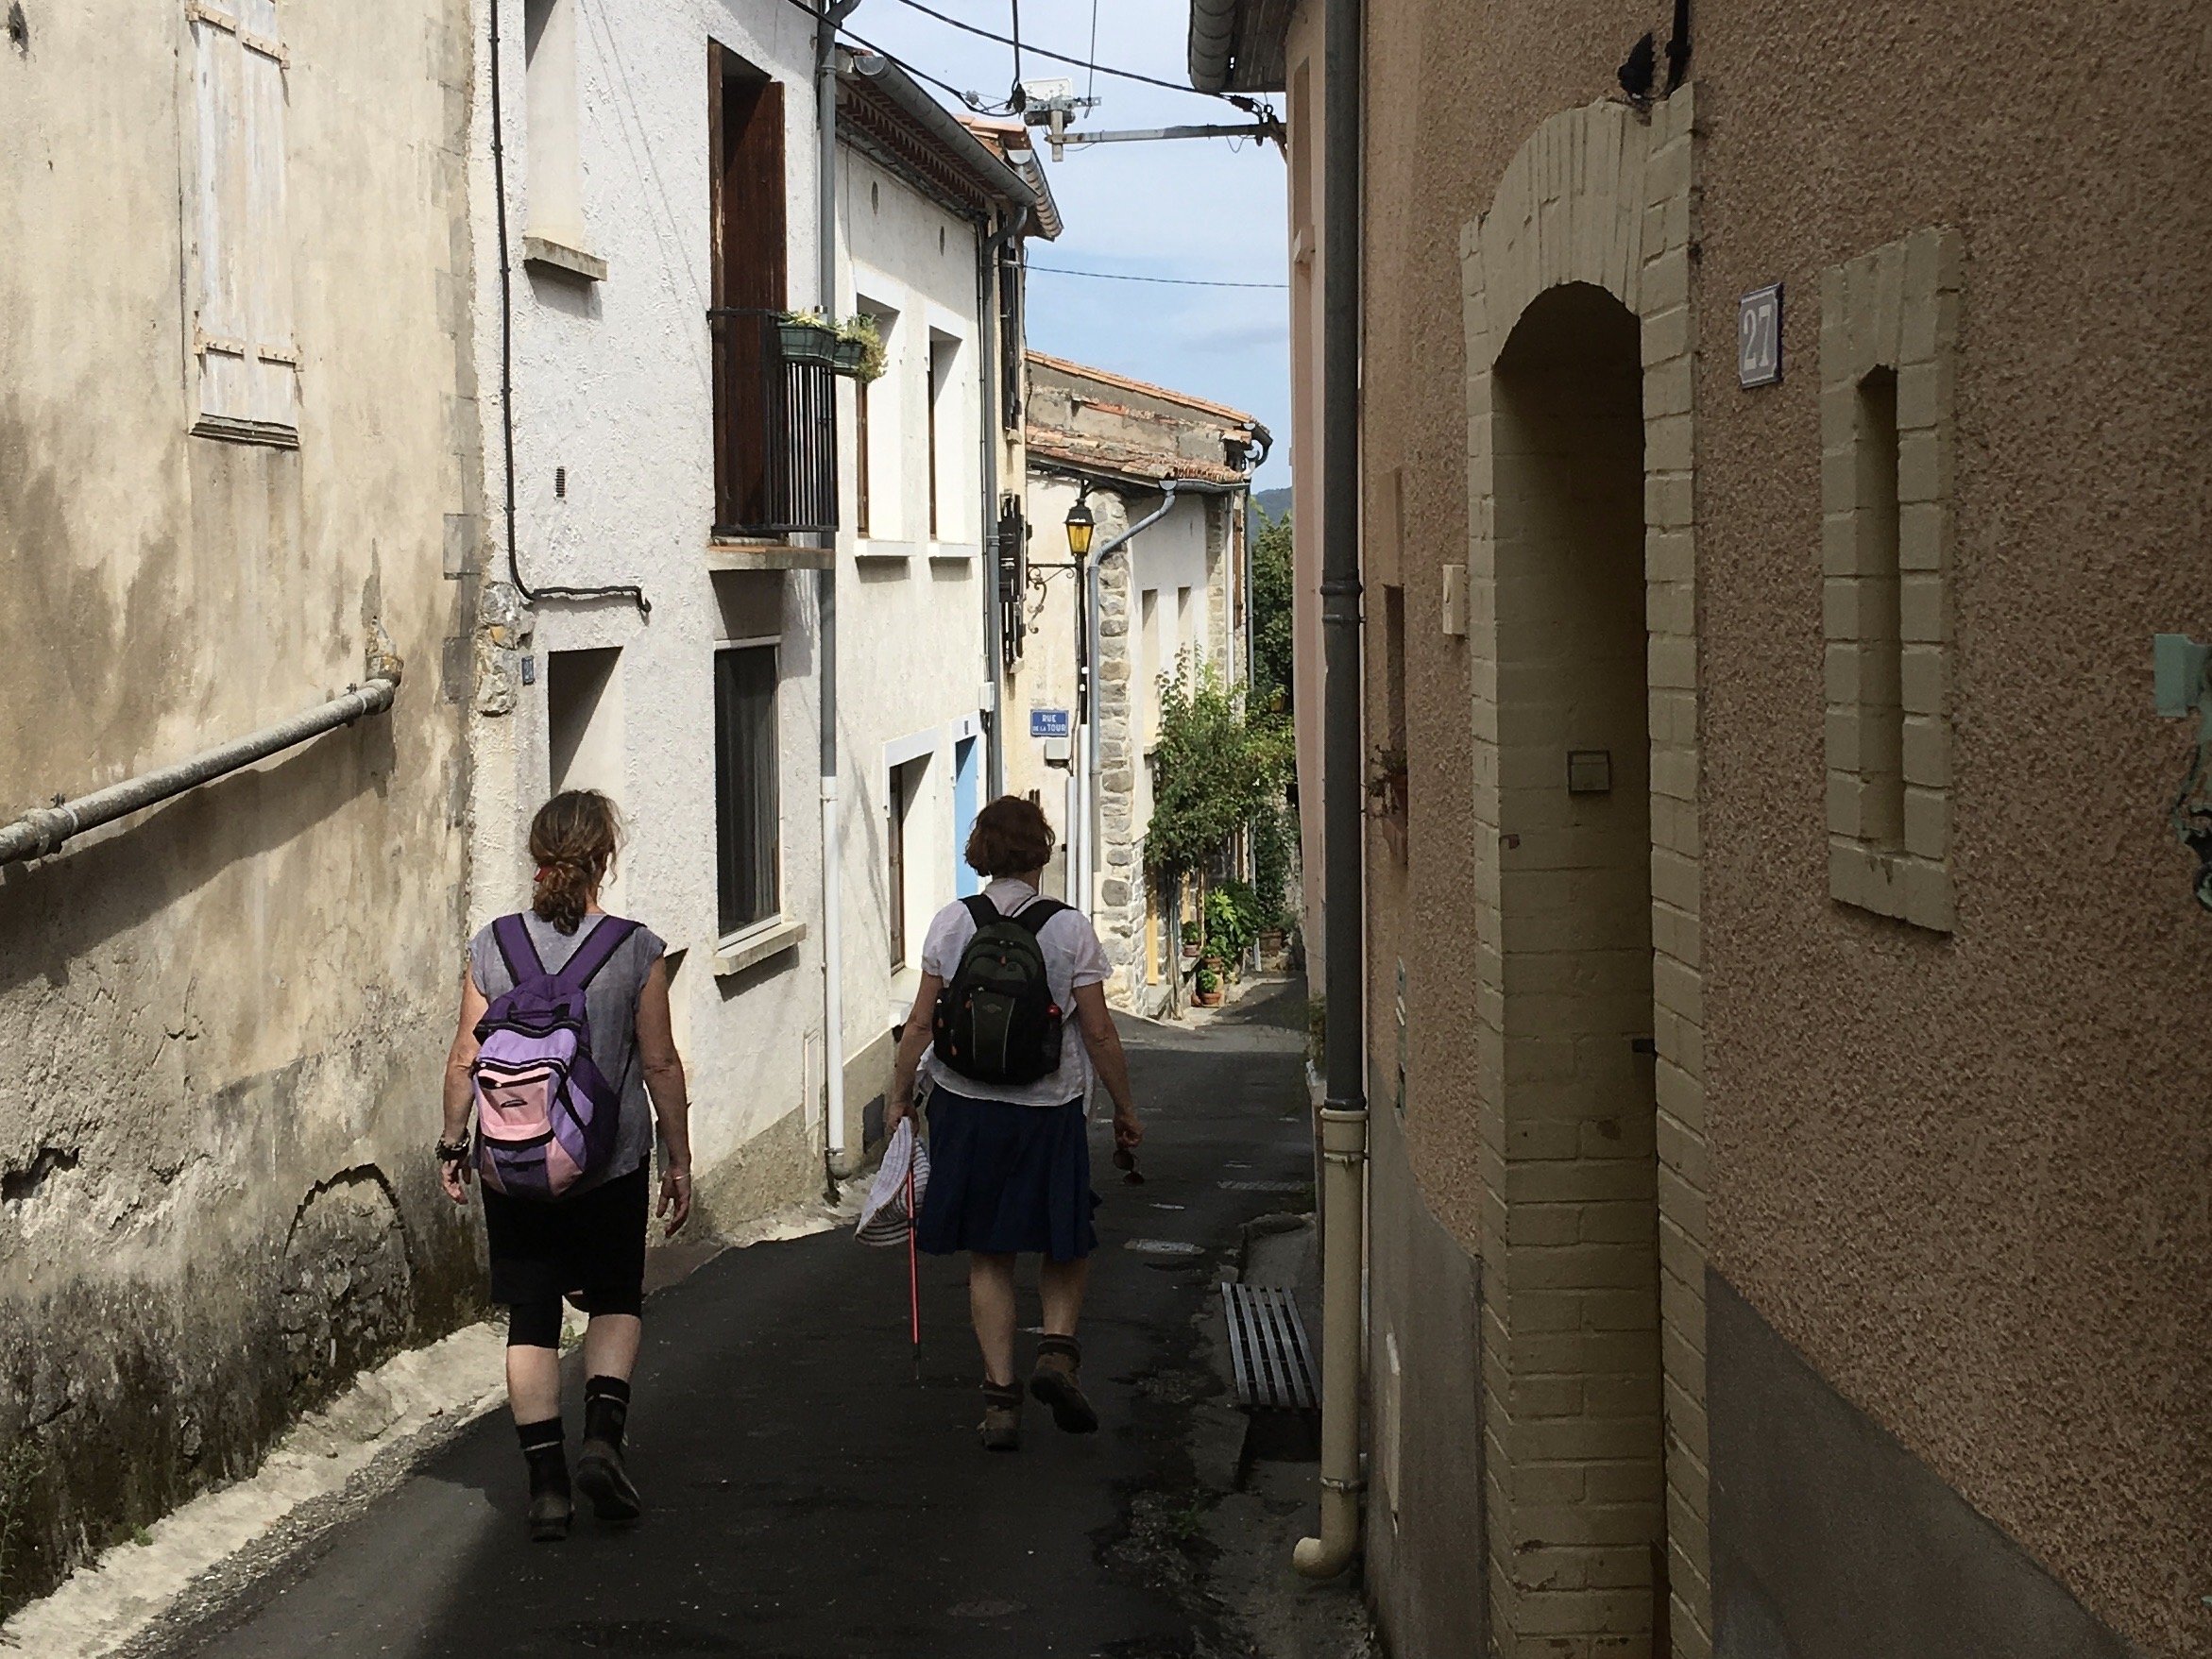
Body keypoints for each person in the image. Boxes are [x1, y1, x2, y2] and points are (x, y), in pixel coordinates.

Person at [437, 790, 692, 1540]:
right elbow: (659, 1062)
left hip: (513, 1165)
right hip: (607, 1163)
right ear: (602, 859)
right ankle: (602, 1442)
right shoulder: (636, 948)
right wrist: (678, 1158)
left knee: (531, 1314)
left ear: (536, 857)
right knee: (615, 1297)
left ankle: (546, 1486)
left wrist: (455, 1145)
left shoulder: (492, 944)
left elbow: (464, 1056)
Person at [886, 795, 1143, 1451]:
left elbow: (920, 1023)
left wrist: (898, 1096)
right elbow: (1100, 1029)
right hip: (1048, 1107)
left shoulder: (951, 923)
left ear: (981, 852)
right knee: (1065, 1236)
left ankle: (1000, 1402)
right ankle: (1056, 1350)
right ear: (1041, 851)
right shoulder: (1069, 929)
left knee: (989, 1251)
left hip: (965, 1106)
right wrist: (1125, 1106)